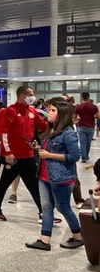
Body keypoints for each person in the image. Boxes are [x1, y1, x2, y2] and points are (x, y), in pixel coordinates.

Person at [26, 99, 83, 251]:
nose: (48, 113)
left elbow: (74, 156)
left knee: (63, 207)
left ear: (61, 114)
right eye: (49, 110)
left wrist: (50, 155)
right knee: (46, 208)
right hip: (44, 176)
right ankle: (45, 240)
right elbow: (46, 152)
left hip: (61, 177)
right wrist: (38, 148)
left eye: (52, 111)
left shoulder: (68, 133)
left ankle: (78, 236)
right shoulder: (49, 130)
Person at [0, 86, 50, 223]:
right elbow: (4, 133)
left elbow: (42, 126)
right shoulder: (11, 111)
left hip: (28, 156)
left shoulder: (32, 112)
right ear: (23, 96)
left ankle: (43, 212)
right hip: (11, 157)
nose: (33, 96)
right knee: (2, 184)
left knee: (35, 185)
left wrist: (56, 123)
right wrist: (7, 153)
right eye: (31, 94)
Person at [74, 92, 99, 163]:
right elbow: (98, 116)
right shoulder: (94, 107)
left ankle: (84, 158)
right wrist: (92, 116)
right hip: (91, 127)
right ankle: (86, 155)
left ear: (82, 97)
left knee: (82, 143)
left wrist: (79, 119)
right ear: (89, 97)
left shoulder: (78, 107)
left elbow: (74, 117)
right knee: (88, 143)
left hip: (81, 127)